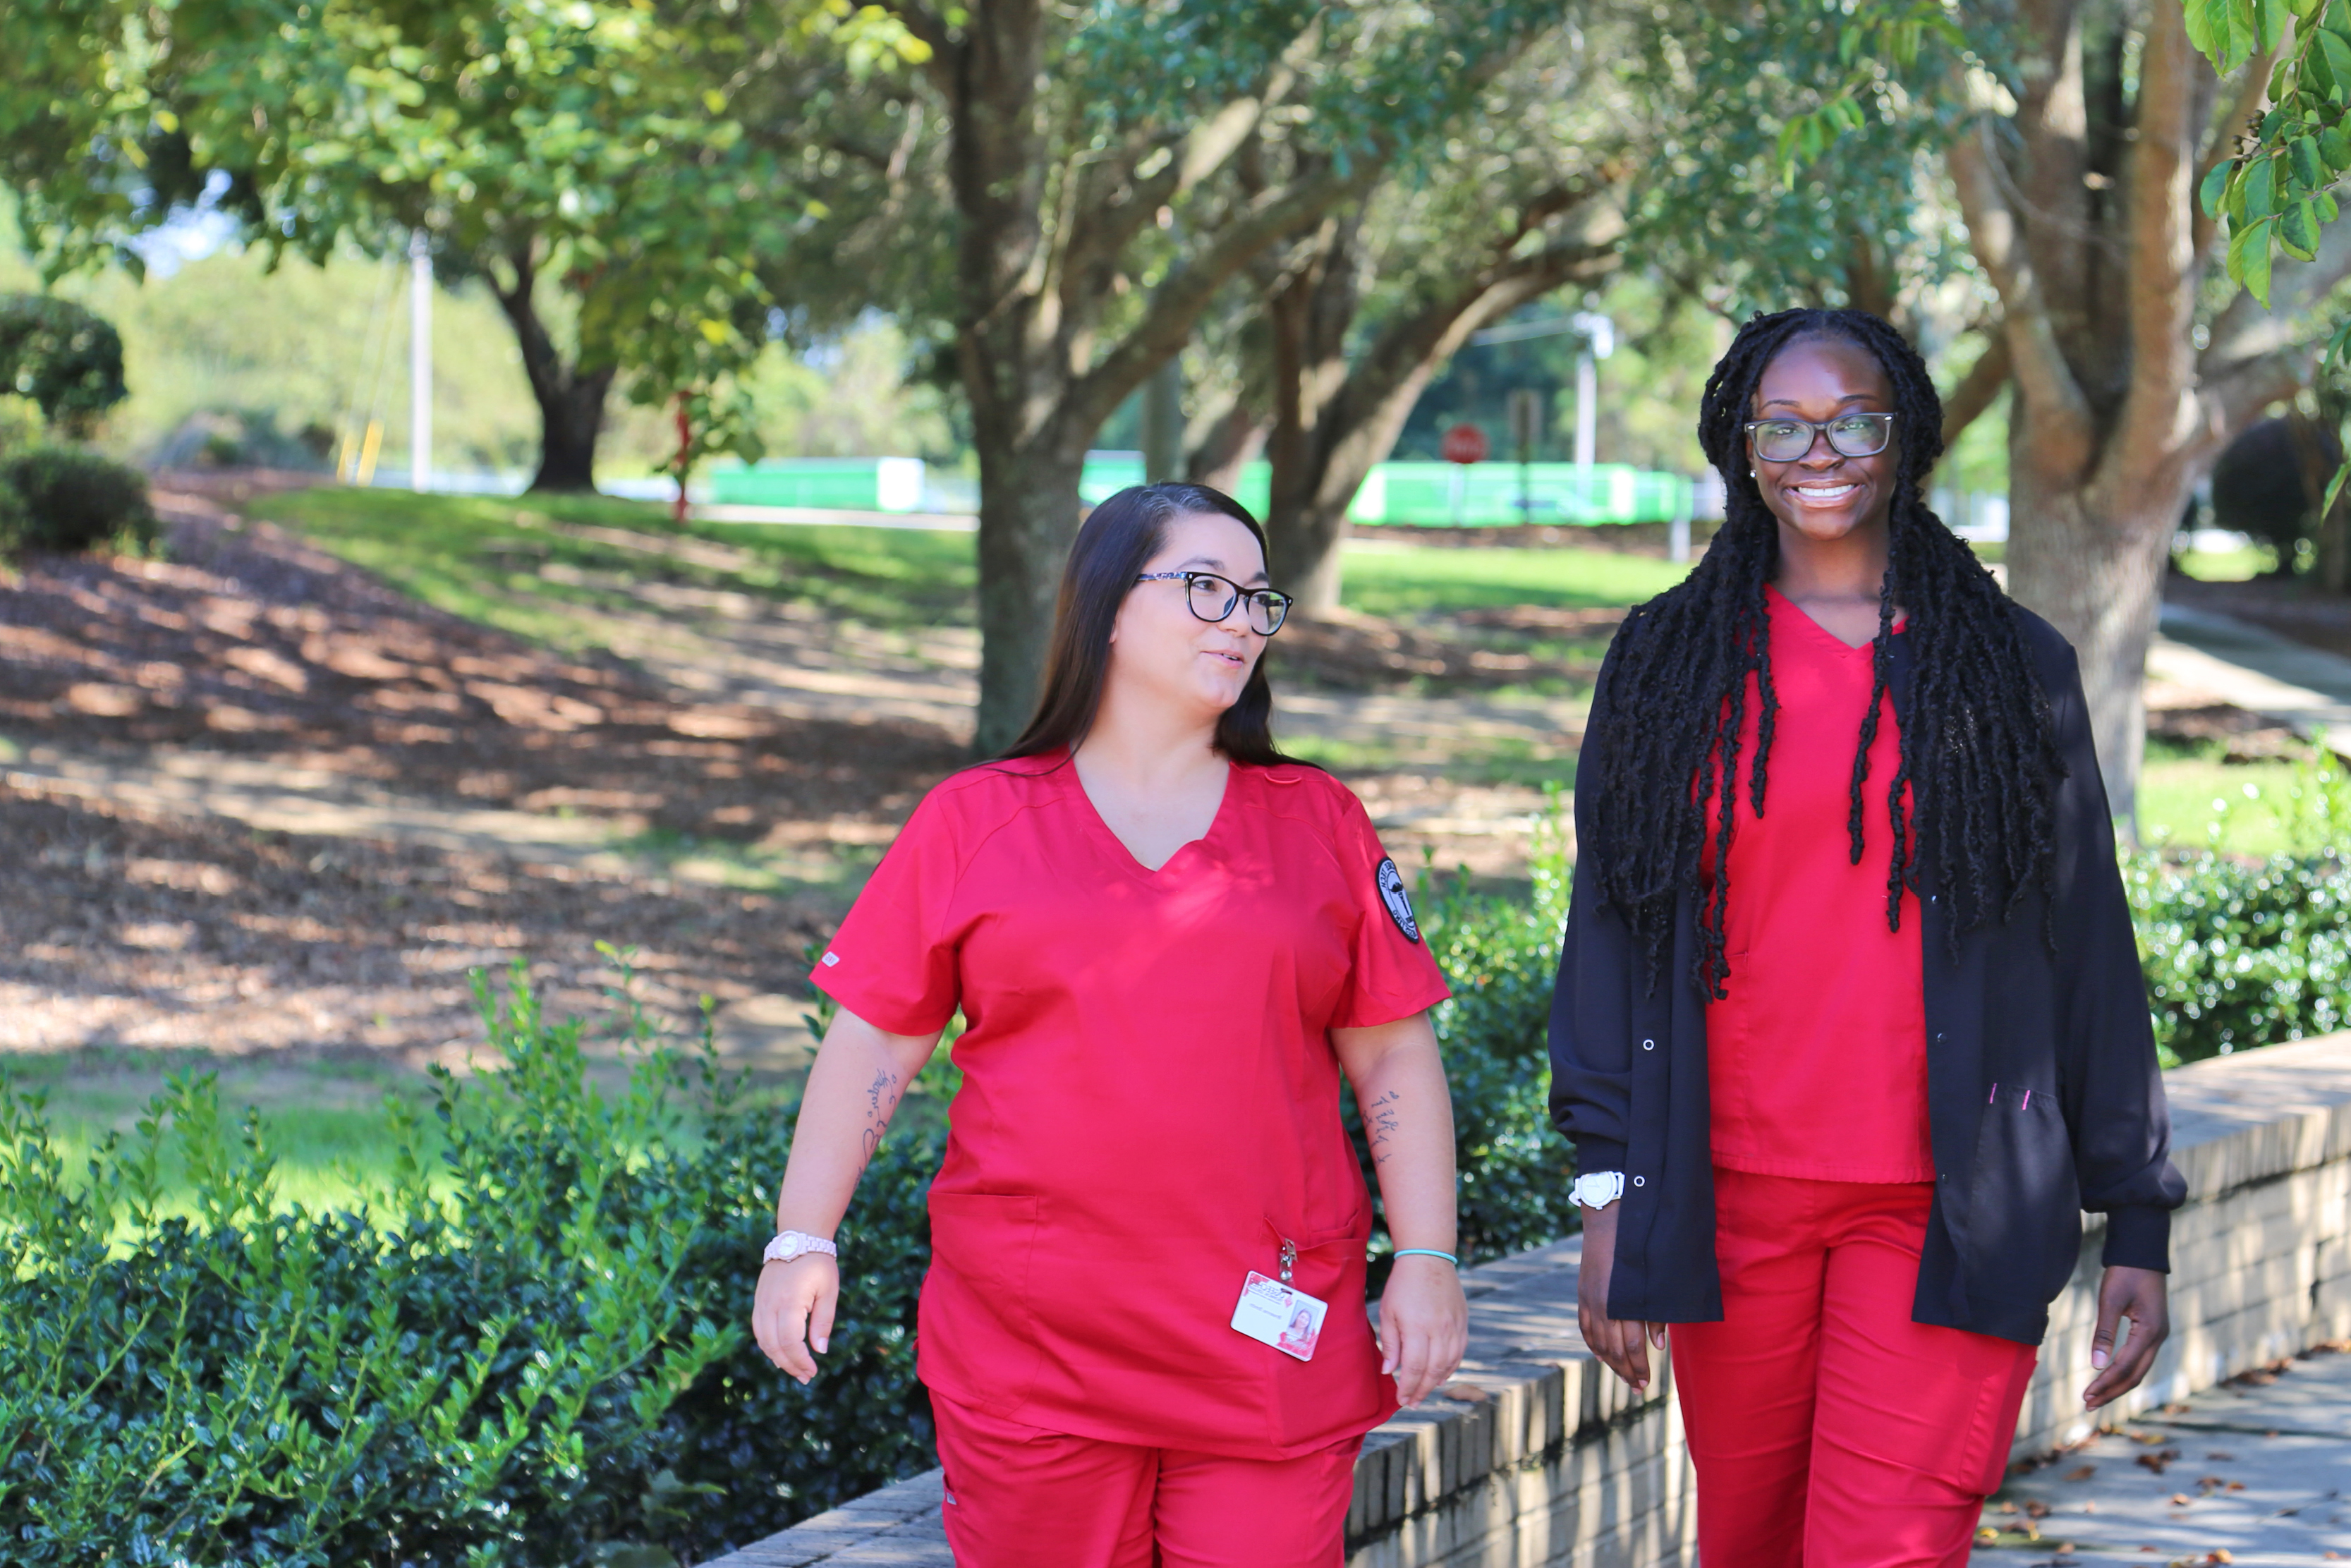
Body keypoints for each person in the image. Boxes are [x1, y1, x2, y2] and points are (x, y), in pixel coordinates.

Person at [1548, 308, 2187, 1567]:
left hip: (1947, 1209)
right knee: (1750, 1545)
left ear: (1905, 438)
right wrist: (1606, 1192)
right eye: (1778, 422)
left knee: (1886, 1547)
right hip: (1729, 1206)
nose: (1814, 448)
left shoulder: (2011, 669)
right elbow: (1609, 939)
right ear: (1738, 441)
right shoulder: (1667, 664)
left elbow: (2089, 961)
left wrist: (2140, 1220)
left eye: (1851, 419)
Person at [752, 482, 1469, 1568]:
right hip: (1033, 1343)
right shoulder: (975, 820)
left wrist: (1425, 1255)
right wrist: (802, 1240)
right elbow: (875, 1042)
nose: (1239, 620)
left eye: (1256, 599)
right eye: (1205, 588)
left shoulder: (1317, 822)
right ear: (1106, 605)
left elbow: (1393, 1055)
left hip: (1263, 1337)